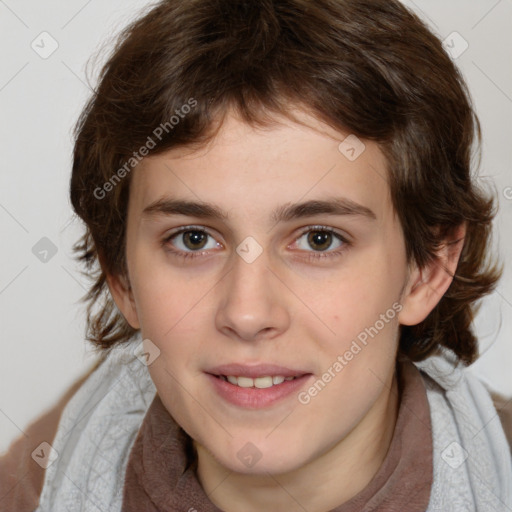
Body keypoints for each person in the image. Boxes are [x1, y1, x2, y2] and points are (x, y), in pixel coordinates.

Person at [1, 0, 511, 510]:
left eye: (319, 239)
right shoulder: (41, 482)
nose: (247, 313)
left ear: (426, 269)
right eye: (194, 239)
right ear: (122, 275)